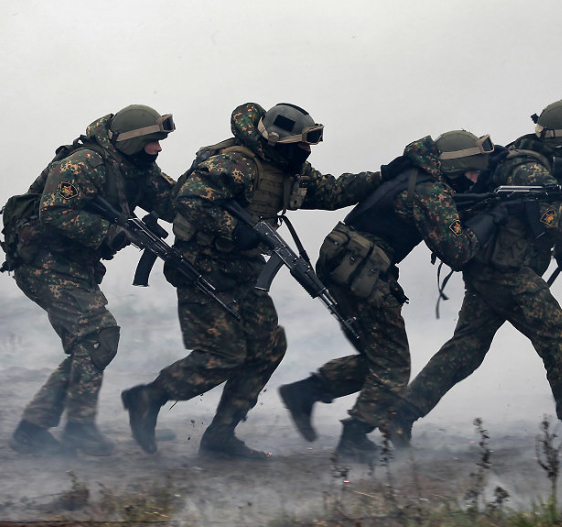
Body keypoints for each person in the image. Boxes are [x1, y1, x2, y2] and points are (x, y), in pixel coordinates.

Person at [121, 102, 382, 460]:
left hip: (243, 271)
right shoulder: (236, 163)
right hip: (202, 268)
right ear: (276, 140)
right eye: (300, 145)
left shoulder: (287, 167)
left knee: (268, 347)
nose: (306, 152)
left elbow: (333, 192)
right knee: (223, 355)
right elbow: (189, 201)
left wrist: (384, 177)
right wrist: (235, 230)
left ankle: (220, 437)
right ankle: (148, 397)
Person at [385, 99, 562, 453]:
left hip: (490, 267)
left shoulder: (524, 152)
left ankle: (399, 417)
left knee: (466, 349)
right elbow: (556, 224)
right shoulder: (529, 170)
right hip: (507, 271)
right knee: (561, 335)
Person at [279, 129, 504, 462]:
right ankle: (354, 437)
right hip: (364, 272)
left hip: (344, 263)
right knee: (395, 367)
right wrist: (495, 215)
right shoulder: (431, 192)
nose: (474, 179)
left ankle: (307, 392)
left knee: (377, 359)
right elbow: (459, 252)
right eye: (472, 171)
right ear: (456, 167)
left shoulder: (415, 175)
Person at [7, 104, 177, 456]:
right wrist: (109, 232)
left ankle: (33, 427)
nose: (158, 149)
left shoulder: (137, 168)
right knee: (99, 336)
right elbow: (53, 213)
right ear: (132, 142)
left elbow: (173, 202)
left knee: (91, 344)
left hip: (74, 267)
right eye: (152, 142)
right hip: (44, 263)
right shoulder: (84, 163)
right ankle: (78, 428)